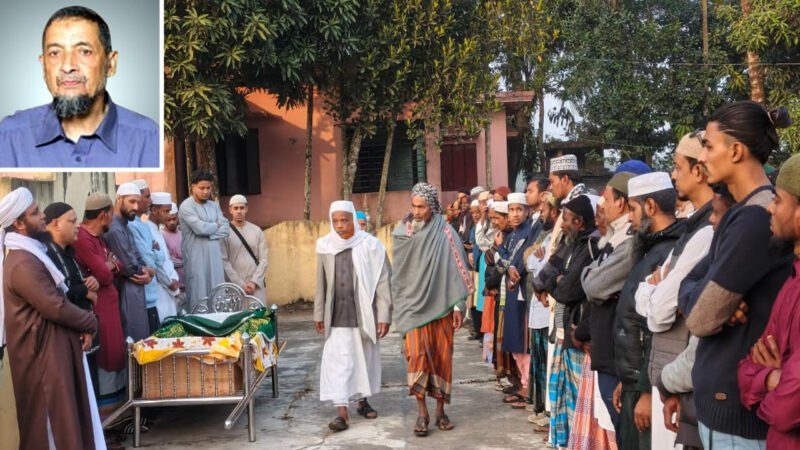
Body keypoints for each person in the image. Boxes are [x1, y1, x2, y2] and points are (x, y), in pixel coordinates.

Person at [680, 102, 793, 448]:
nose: (702, 158)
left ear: (737, 151)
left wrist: (706, 300)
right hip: (725, 410)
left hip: (740, 420)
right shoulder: (740, 214)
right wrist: (706, 297)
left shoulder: (755, 220)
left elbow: (700, 318)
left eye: (710, 147)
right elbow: (691, 284)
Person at [0, 188, 100, 450]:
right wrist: (90, 322)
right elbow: (55, 306)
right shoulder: (22, 262)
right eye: (35, 213)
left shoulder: (31, 254)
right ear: (19, 224)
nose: (42, 215)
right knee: (51, 428)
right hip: (42, 358)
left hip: (53, 352)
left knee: (67, 422)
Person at [0, 6, 158, 168]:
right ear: (43, 65)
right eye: (55, 53)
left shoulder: (147, 138)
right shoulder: (10, 137)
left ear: (110, 64)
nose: (67, 66)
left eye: (84, 52)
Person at [635, 132, 714, 450]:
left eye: (678, 166)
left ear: (699, 171)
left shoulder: (707, 230)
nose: (674, 175)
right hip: (671, 374)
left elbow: (659, 311)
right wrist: (656, 289)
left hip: (686, 380)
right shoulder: (694, 226)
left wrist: (660, 289)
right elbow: (647, 297)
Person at [392, 182, 472, 437]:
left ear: (432, 207)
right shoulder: (402, 233)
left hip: (441, 307)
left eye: (422, 207)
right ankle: (422, 413)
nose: (416, 212)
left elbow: (458, 269)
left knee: (440, 359)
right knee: (416, 358)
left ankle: (439, 411)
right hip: (413, 309)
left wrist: (459, 306)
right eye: (414, 206)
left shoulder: (446, 232)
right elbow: (400, 275)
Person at [613, 172, 684, 450]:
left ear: (651, 207)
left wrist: (645, 390)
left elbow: (657, 329)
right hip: (635, 381)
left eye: (632, 209)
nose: (630, 218)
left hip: (651, 386)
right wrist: (627, 380)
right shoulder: (650, 248)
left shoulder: (669, 252)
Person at [738, 152, 800, 449]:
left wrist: (770, 381)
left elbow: (788, 411)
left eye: (777, 200)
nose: (770, 209)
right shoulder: (792, 280)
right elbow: (746, 369)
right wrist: (774, 377)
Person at [314, 201, 392, 432]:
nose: (340, 226)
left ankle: (363, 402)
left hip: (363, 316)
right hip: (336, 315)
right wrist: (319, 313)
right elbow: (321, 283)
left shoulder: (371, 246)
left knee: (363, 361)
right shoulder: (325, 246)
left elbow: (383, 282)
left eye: (344, 220)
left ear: (353, 220)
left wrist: (384, 316)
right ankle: (342, 413)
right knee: (338, 364)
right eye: (336, 221)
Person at [581, 171, 638, 443]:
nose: (601, 205)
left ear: (623, 204)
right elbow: (590, 277)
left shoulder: (629, 243)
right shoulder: (614, 239)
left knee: (625, 430)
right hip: (607, 350)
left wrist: (591, 274)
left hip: (618, 355)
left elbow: (592, 285)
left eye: (606, 198)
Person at [539, 194, 599, 448]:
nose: (562, 224)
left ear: (580, 222)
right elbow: (554, 278)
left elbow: (568, 291)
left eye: (565, 219)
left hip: (578, 334)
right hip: (565, 332)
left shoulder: (589, 246)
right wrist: (558, 280)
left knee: (578, 401)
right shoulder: (574, 244)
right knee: (563, 395)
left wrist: (557, 282)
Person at [72, 193, 127, 421]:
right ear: (103, 215)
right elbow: (105, 274)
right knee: (105, 358)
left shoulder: (98, 238)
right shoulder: (84, 239)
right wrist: (109, 266)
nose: (112, 219)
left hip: (110, 305)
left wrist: (109, 265)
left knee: (115, 355)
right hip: (99, 309)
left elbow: (119, 265)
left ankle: (116, 420)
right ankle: (106, 424)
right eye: (111, 214)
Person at [496, 193, 541, 409]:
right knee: (514, 342)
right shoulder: (511, 235)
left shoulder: (529, 233)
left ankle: (526, 385)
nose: (514, 214)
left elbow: (518, 261)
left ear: (527, 212)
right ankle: (522, 382)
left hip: (522, 291)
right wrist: (505, 257)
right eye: (511, 210)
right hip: (511, 292)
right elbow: (503, 263)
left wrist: (506, 258)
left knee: (522, 342)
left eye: (519, 210)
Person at [524, 193, 559, 431]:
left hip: (549, 311)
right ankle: (542, 410)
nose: (542, 213)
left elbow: (543, 266)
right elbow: (529, 262)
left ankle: (549, 415)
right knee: (539, 363)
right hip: (537, 310)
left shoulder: (556, 239)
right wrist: (536, 261)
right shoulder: (548, 237)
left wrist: (537, 263)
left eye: (546, 208)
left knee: (548, 366)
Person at [103, 182, 153, 342]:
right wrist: (148, 273)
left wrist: (149, 272)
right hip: (125, 289)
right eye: (132, 201)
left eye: (138, 202)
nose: (136, 207)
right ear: (119, 199)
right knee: (132, 340)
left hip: (135, 288)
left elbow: (138, 258)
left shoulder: (125, 226)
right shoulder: (114, 228)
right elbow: (128, 266)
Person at [180, 170, 230, 310]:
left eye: (208, 188)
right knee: (199, 294)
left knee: (217, 292)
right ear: (193, 187)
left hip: (214, 257)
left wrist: (210, 233)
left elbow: (226, 229)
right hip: (196, 259)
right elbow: (200, 229)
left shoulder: (214, 205)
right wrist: (216, 225)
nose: (206, 191)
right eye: (202, 188)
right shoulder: (186, 206)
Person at [127, 180, 163, 333]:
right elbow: (148, 260)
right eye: (147, 197)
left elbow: (160, 259)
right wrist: (153, 252)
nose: (150, 201)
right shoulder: (132, 225)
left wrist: (154, 252)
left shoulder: (143, 224)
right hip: (143, 297)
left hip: (152, 296)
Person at [221, 194, 269, 302]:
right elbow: (224, 261)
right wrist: (240, 284)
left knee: (257, 317)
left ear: (246, 209)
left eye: (242, 208)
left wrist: (254, 281)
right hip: (234, 287)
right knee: (237, 318)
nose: (239, 211)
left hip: (255, 287)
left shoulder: (256, 231)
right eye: (236, 208)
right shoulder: (224, 233)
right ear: (230, 210)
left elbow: (264, 260)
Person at [148, 192, 182, 319]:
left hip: (170, 286)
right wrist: (170, 284)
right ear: (155, 210)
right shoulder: (148, 229)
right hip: (160, 288)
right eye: (166, 211)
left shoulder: (157, 229)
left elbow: (166, 259)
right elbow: (156, 263)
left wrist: (174, 278)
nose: (169, 215)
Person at [162, 202, 184, 282]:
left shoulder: (182, 234)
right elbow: (166, 259)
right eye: (169, 220)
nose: (171, 222)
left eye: (174, 219)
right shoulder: (161, 235)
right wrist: (185, 262)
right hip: (172, 281)